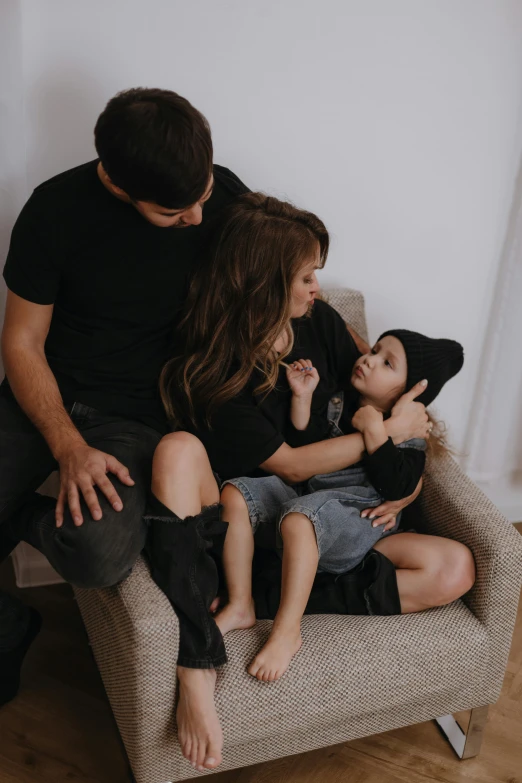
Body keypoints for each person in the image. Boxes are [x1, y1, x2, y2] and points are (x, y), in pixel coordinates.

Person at [151, 192, 439, 770]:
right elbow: (290, 465)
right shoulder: (220, 371)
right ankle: (218, 644)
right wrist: (379, 435)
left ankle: (293, 601)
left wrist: (410, 474)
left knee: (454, 566)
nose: (317, 288)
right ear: (264, 281)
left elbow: (397, 394)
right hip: (256, 516)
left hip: (332, 513)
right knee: (184, 455)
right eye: (306, 276)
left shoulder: (321, 321)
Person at [0, 87, 251, 746]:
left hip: (139, 417)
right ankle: (9, 627)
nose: (199, 216)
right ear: (116, 181)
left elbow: (287, 265)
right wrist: (65, 445)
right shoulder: (55, 209)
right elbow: (22, 344)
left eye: (202, 194)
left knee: (98, 552)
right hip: (45, 397)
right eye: (176, 209)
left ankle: (18, 518)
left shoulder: (219, 197)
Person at [213, 321, 468, 682]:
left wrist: (377, 431)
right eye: (374, 350)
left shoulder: (409, 437)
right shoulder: (339, 399)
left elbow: (398, 483)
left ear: (409, 396)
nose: (369, 359)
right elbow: (303, 444)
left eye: (386, 363)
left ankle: (288, 631)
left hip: (355, 517)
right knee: (235, 494)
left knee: (302, 522)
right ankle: (241, 602)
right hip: (309, 499)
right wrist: (302, 397)